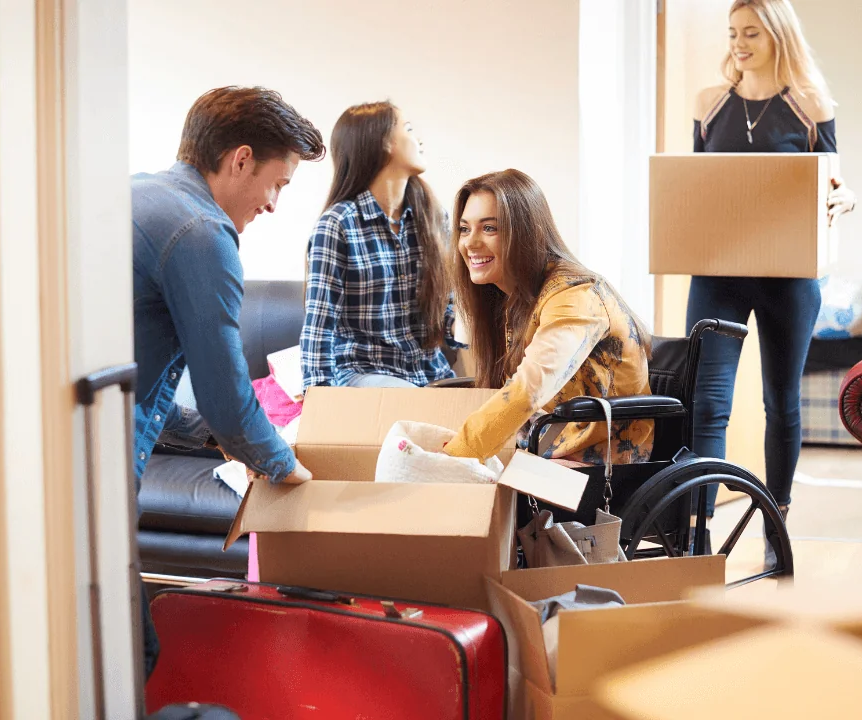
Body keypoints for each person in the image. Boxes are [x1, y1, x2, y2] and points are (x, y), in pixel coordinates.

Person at [129, 86, 324, 675]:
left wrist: (216, 438)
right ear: (240, 159)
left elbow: (148, 376)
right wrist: (285, 466)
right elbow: (227, 402)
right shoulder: (201, 233)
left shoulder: (139, 193)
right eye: (279, 184)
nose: (273, 204)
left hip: (57, 452)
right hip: (91, 466)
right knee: (134, 652)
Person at [688, 0, 857, 553]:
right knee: (708, 401)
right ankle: (700, 527)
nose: (738, 43)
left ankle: (775, 520)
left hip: (788, 278)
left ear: (777, 35)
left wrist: (846, 197)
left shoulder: (810, 105)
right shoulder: (710, 104)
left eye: (751, 33)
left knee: (780, 400)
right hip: (719, 273)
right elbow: (698, 187)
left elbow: (834, 183)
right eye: (733, 33)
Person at [440, 169, 654, 466]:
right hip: (548, 450)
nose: (470, 243)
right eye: (465, 229)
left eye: (489, 228)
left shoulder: (575, 295)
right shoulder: (516, 297)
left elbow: (528, 389)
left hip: (603, 464)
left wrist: (454, 455)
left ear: (526, 232)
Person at [301, 101, 460, 390]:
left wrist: (481, 327)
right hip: (364, 374)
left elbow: (447, 310)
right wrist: (319, 402)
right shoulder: (338, 224)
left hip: (430, 376)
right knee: (419, 406)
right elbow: (319, 328)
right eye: (409, 129)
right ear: (384, 143)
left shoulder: (435, 218)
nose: (419, 140)